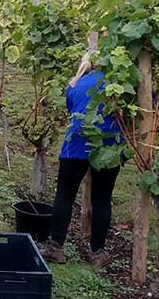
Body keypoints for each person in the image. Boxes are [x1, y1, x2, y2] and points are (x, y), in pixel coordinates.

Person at [41, 54, 122, 269]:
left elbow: (71, 107)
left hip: (76, 145)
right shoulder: (122, 85)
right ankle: (97, 253)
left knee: (65, 194)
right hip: (109, 148)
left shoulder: (77, 83)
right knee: (103, 198)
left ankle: (55, 247)